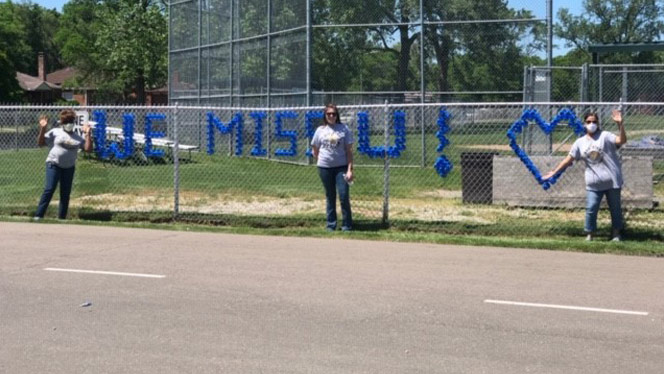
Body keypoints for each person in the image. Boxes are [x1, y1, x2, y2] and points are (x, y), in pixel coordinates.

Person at [543, 110, 627, 241]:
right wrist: (554, 172)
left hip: (612, 181)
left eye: (594, 121)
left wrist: (620, 125)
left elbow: (621, 140)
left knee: (615, 209)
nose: (591, 124)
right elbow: (568, 159)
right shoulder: (580, 142)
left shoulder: (605, 136)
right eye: (589, 122)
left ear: (598, 123)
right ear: (584, 123)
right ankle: (590, 234)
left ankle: (616, 233)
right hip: (593, 183)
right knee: (591, 208)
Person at [34, 109, 93, 220]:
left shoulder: (77, 137)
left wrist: (87, 134)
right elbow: (40, 143)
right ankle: (38, 215)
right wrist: (43, 129)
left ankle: (61, 218)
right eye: (66, 121)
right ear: (62, 122)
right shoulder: (55, 132)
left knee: (65, 194)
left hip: (69, 168)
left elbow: (88, 149)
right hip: (54, 164)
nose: (68, 124)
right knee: (49, 189)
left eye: (70, 121)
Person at [311, 104, 354, 231]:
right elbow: (315, 148)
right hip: (325, 168)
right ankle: (331, 224)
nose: (331, 116)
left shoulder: (344, 129)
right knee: (330, 196)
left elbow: (349, 151)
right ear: (325, 116)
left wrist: (350, 169)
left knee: (343, 195)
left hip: (341, 167)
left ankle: (347, 225)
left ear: (337, 115)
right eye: (328, 114)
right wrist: (321, 160)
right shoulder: (320, 130)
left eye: (333, 114)